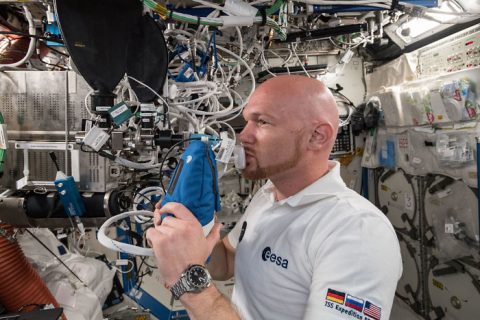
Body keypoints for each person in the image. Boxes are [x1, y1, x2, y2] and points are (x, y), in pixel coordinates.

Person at [146, 75, 402, 320]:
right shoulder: (269, 194)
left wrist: (190, 280)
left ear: (317, 136)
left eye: (262, 122)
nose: (243, 135)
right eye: (247, 121)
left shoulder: (357, 232)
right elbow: (228, 262)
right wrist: (194, 232)